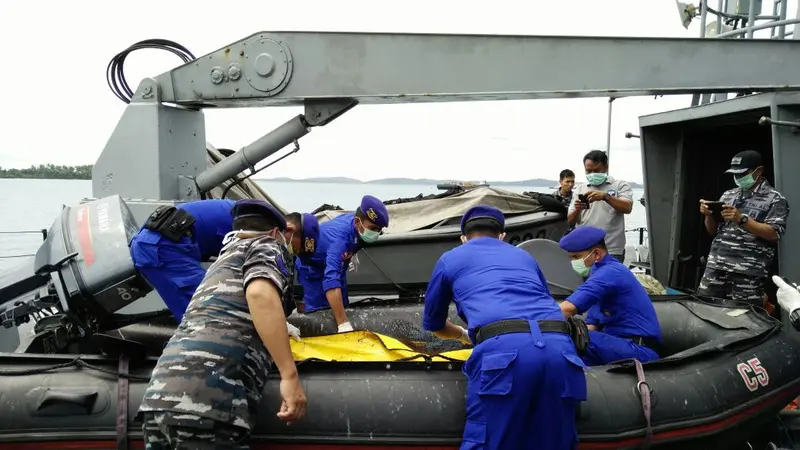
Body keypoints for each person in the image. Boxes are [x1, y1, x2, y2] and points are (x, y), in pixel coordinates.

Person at [139, 199, 307, 449]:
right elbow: (259, 294)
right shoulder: (267, 245)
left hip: (158, 400)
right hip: (207, 404)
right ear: (276, 233)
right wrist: (289, 375)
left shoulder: (221, 262)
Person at [423, 204, 587, 450]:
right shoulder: (524, 256)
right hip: (560, 349)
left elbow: (434, 323)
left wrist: (464, 334)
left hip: (505, 353)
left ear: (463, 238)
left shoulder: (450, 258)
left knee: (489, 442)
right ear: (502, 236)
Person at [130, 199, 320, 323]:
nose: (292, 252)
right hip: (165, 249)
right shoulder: (256, 223)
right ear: (289, 229)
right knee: (205, 314)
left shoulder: (256, 215)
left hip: (167, 244)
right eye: (296, 247)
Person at [558, 225, 661, 366]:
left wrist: (533, 322)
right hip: (616, 344)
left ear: (597, 254)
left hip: (638, 349)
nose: (573, 263)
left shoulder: (610, 273)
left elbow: (567, 309)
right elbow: (592, 325)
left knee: (573, 337)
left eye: (576, 257)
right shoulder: (597, 271)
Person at [698, 150, 789, 306]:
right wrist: (708, 215)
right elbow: (713, 231)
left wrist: (742, 219)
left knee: (745, 316)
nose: (738, 178)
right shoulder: (728, 195)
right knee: (704, 308)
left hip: (747, 271)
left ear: (758, 171)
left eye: (742, 174)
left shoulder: (775, 198)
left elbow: (774, 234)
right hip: (717, 266)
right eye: (735, 174)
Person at [295, 195, 389, 332]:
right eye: (373, 228)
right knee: (321, 314)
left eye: (379, 230)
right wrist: (342, 323)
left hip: (338, 265)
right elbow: (331, 279)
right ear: (357, 222)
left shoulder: (359, 225)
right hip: (313, 268)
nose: (376, 233)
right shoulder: (339, 241)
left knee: (343, 305)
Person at [568, 150, 634, 263]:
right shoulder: (580, 188)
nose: (592, 174)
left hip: (611, 248)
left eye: (596, 170)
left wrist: (606, 197)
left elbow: (627, 208)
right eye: (588, 171)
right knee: (587, 280)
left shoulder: (620, 185)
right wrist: (577, 210)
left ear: (606, 167)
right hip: (585, 248)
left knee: (610, 280)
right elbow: (570, 221)